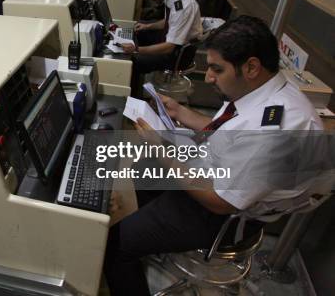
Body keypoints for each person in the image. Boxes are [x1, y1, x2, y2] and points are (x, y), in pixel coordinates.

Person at [104, 16, 324, 296]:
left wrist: (165, 153)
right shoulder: (260, 90)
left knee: (113, 245)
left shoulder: (276, 132)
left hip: (218, 215)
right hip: (213, 173)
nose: (208, 77)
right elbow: (226, 131)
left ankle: (134, 247)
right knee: (143, 169)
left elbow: (219, 201)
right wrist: (182, 113)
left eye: (216, 70)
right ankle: (150, 235)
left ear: (252, 66)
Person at [120, 0, 202, 97]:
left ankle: (133, 100)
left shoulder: (183, 5)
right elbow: (170, 21)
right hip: (171, 41)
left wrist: (136, 49)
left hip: (177, 54)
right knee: (138, 30)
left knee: (133, 62)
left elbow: (170, 47)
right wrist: (147, 27)